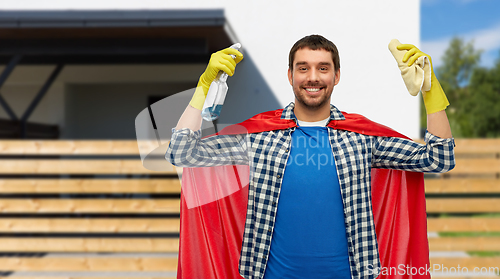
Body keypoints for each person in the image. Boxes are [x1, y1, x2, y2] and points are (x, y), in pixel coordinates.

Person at [166, 35, 455, 279]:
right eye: (303, 68)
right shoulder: (259, 137)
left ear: (336, 76)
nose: (313, 77)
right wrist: (204, 88)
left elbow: (438, 158)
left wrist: (430, 90)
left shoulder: (363, 138)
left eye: (323, 68)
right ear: (290, 75)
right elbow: (182, 153)